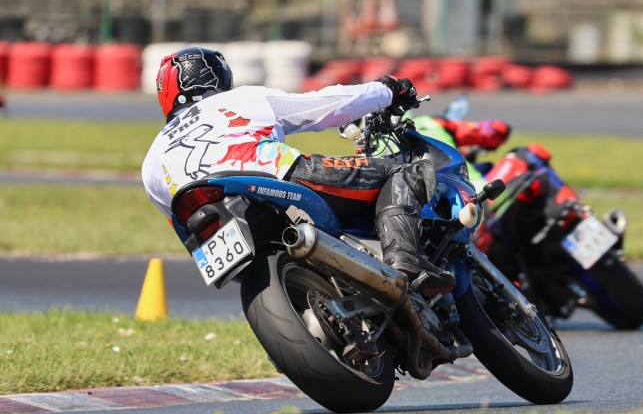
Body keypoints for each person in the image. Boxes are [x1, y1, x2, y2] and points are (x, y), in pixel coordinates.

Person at [141, 47, 454, 295]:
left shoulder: (152, 158)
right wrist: (386, 90)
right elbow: (322, 107)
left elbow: (184, 230)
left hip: (215, 224)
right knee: (399, 172)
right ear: (217, 79)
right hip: (274, 177)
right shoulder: (237, 101)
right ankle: (405, 261)